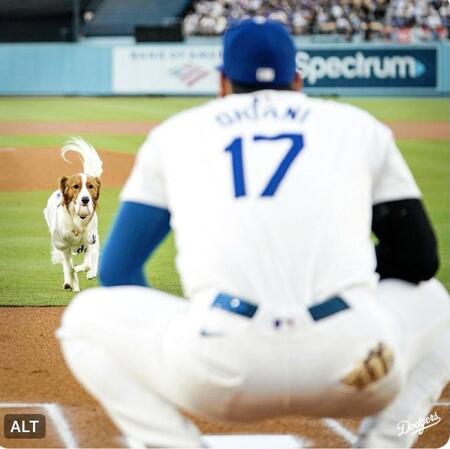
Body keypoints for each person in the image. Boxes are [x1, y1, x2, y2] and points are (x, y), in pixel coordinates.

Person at [57, 18, 450, 448]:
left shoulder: (175, 135)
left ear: (222, 83)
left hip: (220, 369)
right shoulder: (359, 127)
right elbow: (420, 260)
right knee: (436, 302)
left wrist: (192, 330)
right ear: (297, 80)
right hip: (353, 363)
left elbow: (116, 271)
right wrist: (352, 273)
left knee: (82, 322)